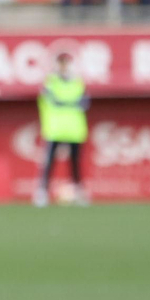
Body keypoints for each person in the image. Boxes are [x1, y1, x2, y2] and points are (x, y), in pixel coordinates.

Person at [34, 49, 90, 208]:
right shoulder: (50, 82)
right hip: (55, 128)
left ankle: (79, 192)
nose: (64, 66)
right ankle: (42, 192)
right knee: (48, 162)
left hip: (74, 129)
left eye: (66, 63)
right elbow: (53, 101)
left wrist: (67, 103)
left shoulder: (77, 82)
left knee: (75, 163)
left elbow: (85, 102)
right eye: (61, 63)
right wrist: (70, 103)